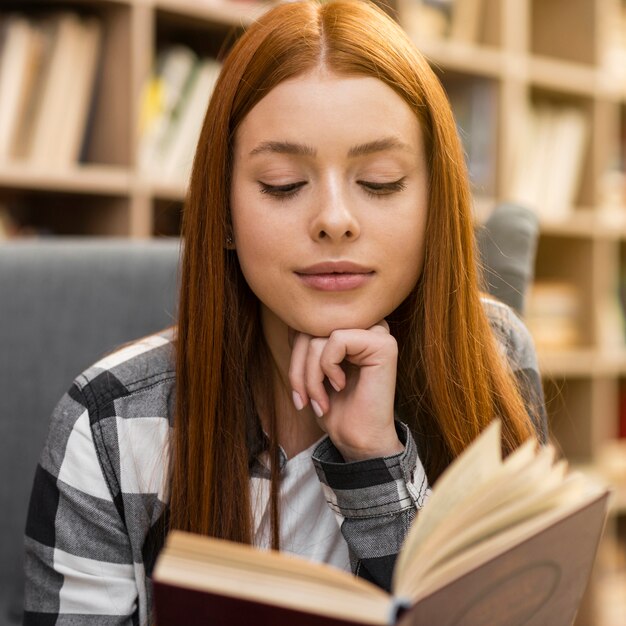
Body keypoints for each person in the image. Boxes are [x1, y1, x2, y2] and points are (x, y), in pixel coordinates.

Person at [23, 1, 547, 623]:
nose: (334, 219)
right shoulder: (109, 424)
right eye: (281, 183)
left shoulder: (492, 356)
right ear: (222, 211)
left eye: (379, 181)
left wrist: (378, 463)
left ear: (436, 204)